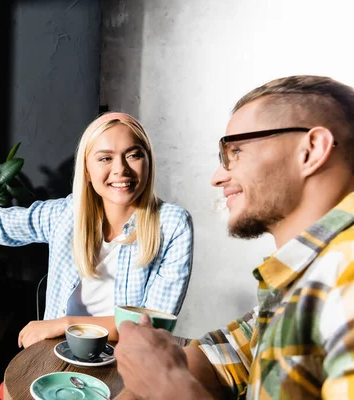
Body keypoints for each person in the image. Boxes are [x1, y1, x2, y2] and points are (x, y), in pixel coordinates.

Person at [114, 75, 354, 399]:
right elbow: (234, 354)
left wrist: (166, 383)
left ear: (311, 151)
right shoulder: (301, 277)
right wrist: (152, 372)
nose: (218, 177)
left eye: (236, 151)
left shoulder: (346, 277)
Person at [0, 111, 194, 348]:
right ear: (88, 171)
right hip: (58, 353)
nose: (121, 169)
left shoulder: (172, 224)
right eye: (105, 158)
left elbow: (151, 325)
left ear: (148, 160)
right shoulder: (66, 214)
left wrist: (62, 324)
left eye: (133, 154)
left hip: (128, 362)